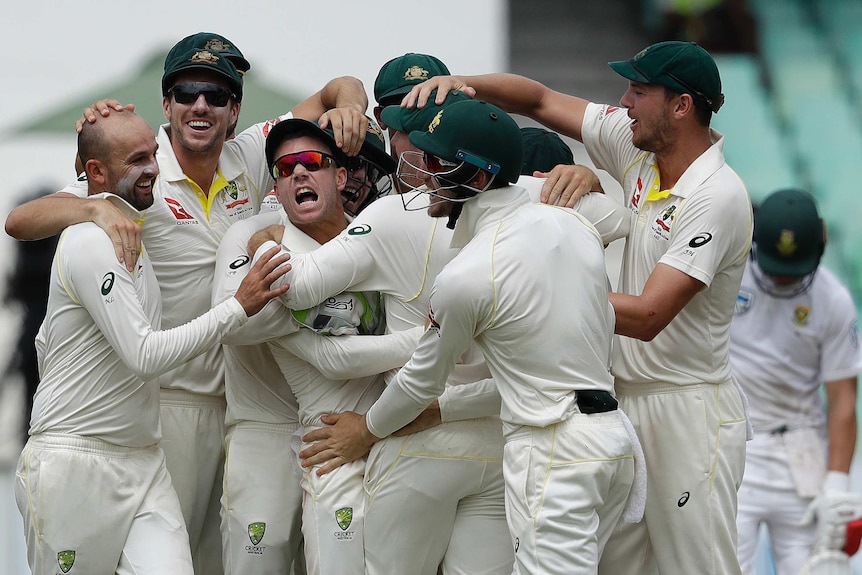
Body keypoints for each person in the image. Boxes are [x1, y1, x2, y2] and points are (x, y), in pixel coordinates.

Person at [4, 33, 369, 575]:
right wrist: (94, 210)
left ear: (234, 110)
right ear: (167, 105)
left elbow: (338, 87)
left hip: (244, 404)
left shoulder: (249, 151)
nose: (202, 105)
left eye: (216, 95)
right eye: (188, 92)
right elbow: (20, 221)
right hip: (171, 402)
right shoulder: (140, 171)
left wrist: (353, 104)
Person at [401, 39, 752, 574]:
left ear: (681, 105)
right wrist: (462, 85)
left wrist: (542, 289)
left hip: (687, 409)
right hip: (620, 403)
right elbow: (539, 101)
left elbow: (649, 317)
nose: (624, 102)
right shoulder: (639, 148)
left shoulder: (718, 196)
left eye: (638, 91)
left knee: (697, 566)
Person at [271, 98, 641, 575]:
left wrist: (365, 430)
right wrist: (573, 181)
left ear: (480, 177)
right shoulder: (575, 225)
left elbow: (417, 384)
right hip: (607, 444)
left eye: (436, 161)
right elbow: (619, 217)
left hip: (546, 451)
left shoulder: (469, 272)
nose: (423, 174)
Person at [14, 109, 289, 575]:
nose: (154, 168)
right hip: (72, 463)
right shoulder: (86, 242)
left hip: (144, 459)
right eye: (137, 159)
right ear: (96, 174)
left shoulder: (137, 229)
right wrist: (238, 306)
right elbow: (144, 355)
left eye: (154, 154)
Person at [212, 118, 416, 575]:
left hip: (379, 429)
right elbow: (234, 323)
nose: (300, 173)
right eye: (287, 168)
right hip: (272, 428)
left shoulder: (375, 234)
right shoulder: (256, 238)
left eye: (314, 163)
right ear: (276, 186)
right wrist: (432, 341)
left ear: (341, 176)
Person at [732, 189, 862, 574]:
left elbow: (842, 399)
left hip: (801, 456)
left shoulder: (833, 300)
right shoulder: (729, 274)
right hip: (733, 448)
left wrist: (837, 483)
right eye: (774, 268)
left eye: (793, 272)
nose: (782, 280)